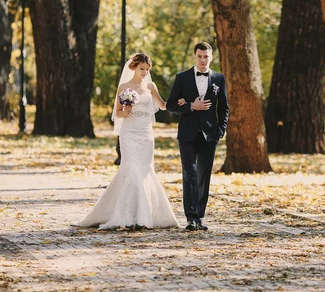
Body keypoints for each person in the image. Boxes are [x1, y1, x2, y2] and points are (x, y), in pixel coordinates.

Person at [76, 53, 180, 230]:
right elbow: (117, 113)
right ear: (134, 67)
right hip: (129, 134)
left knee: (145, 170)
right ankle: (127, 215)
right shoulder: (124, 87)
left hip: (146, 134)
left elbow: (162, 105)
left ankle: (144, 215)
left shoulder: (150, 86)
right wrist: (127, 111)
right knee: (131, 168)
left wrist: (178, 101)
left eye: (147, 70)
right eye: (142, 69)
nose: (144, 73)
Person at [166, 42, 229, 231]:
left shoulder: (219, 78)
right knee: (190, 173)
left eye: (206, 57)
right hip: (187, 134)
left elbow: (224, 107)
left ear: (211, 57)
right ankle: (190, 217)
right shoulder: (182, 78)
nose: (203, 60)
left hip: (210, 135)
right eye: (200, 56)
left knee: (204, 175)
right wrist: (191, 107)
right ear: (195, 56)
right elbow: (170, 105)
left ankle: (200, 216)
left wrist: (221, 130)